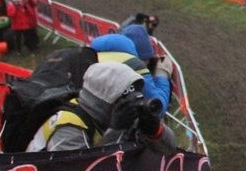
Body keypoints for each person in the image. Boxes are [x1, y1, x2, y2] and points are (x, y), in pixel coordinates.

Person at [27, 61, 174, 152]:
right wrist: (115, 131)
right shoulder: (68, 127)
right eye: (124, 98)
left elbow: (170, 150)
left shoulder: (123, 116)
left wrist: (155, 131)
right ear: (102, 100)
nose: (131, 103)